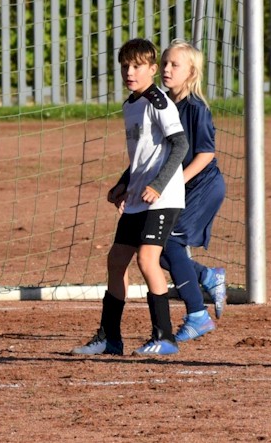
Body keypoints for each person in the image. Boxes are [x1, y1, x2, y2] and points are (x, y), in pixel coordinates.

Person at [71, 38, 189, 356]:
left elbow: (180, 145)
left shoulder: (157, 101)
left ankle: (164, 338)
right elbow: (141, 157)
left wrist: (159, 185)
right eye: (125, 66)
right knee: (116, 261)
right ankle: (110, 339)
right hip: (139, 197)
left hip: (163, 198)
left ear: (152, 69)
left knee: (147, 259)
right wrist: (123, 184)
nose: (129, 71)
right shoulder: (130, 105)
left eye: (137, 66)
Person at [158, 39, 227, 343]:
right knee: (154, 250)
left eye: (175, 64)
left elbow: (205, 154)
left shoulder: (196, 108)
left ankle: (198, 315)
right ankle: (207, 277)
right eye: (164, 63)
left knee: (169, 242)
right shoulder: (162, 106)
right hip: (179, 186)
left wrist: (175, 182)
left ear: (191, 72)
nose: (166, 69)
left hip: (202, 186)